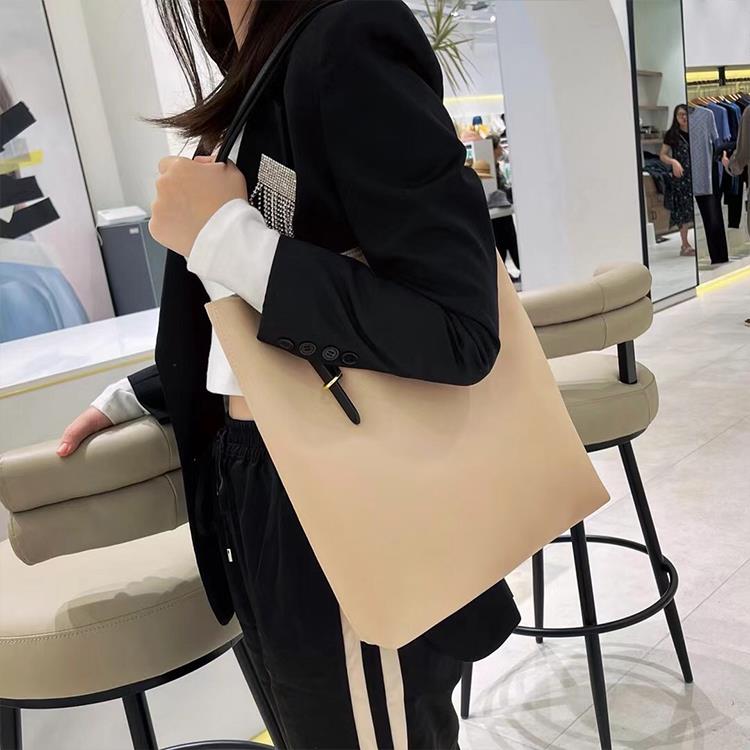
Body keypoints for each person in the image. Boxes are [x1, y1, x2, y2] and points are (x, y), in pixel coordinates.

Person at [57, 1, 520, 748]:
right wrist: (147, 392)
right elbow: (275, 304)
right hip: (265, 479)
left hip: (338, 493)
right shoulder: (260, 66)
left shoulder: (345, 39)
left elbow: (455, 325)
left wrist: (223, 233)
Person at [660, 104, 696, 257]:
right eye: (680, 114)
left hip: (696, 175)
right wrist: (674, 162)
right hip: (681, 177)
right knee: (683, 210)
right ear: (676, 117)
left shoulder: (695, 131)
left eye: (686, 114)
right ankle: (685, 244)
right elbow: (662, 155)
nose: (684, 117)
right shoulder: (672, 134)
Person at [489, 133, 521, 278]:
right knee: (508, 244)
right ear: (493, 149)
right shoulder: (490, 169)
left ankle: (507, 276)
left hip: (502, 212)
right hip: (500, 213)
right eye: (499, 146)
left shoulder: (494, 166)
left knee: (505, 245)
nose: (501, 149)